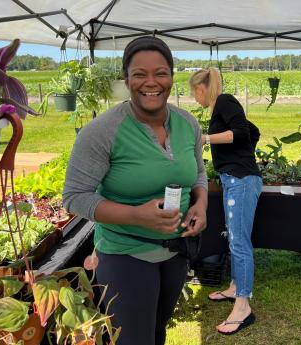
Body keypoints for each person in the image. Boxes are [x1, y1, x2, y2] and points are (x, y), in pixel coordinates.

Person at [63, 36, 208, 345]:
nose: (151, 82)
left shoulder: (187, 124)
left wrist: (202, 204)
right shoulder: (102, 132)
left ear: (171, 76)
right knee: (133, 339)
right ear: (126, 79)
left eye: (161, 73)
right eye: (140, 74)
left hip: (175, 251)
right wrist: (136, 216)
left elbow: (197, 172)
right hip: (125, 252)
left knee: (157, 332)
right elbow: (75, 197)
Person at [189, 68, 262, 335]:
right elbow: (254, 132)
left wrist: (205, 138)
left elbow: (242, 132)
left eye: (193, 93)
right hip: (235, 179)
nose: (195, 99)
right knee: (235, 238)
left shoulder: (225, 101)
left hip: (242, 180)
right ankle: (234, 287)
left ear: (202, 88)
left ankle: (243, 306)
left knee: (240, 242)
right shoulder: (221, 107)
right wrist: (242, 154)